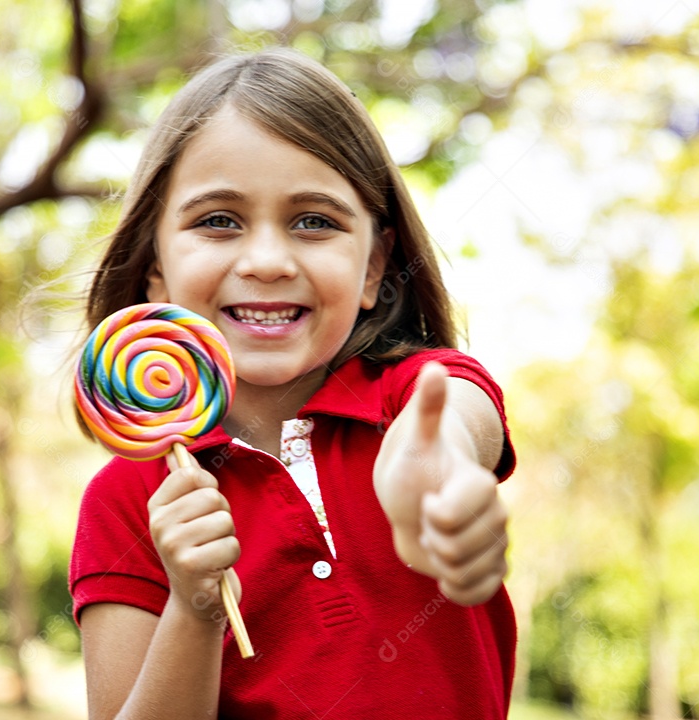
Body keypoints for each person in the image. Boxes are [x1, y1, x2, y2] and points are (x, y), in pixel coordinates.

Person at [69, 47, 517, 720]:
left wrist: (439, 468)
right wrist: (194, 606)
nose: (269, 261)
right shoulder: (128, 501)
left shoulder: (414, 399)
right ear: (154, 267)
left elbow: (460, 416)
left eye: (315, 221)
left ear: (374, 268)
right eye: (218, 220)